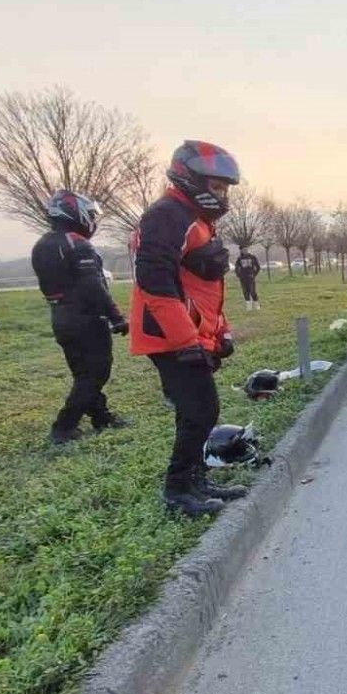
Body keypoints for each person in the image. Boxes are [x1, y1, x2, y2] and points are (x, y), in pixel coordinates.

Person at [130, 140, 247, 517]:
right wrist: (185, 341)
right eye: (217, 186)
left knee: (198, 411)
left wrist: (220, 332)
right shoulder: (168, 215)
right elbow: (154, 281)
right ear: (191, 178)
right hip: (169, 336)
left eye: (225, 188)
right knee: (200, 410)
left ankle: (197, 481)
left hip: (191, 335)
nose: (222, 195)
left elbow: (203, 288)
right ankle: (178, 490)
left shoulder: (199, 221)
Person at [31, 189, 129, 445]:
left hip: (60, 316)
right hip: (86, 317)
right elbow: (93, 287)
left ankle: (100, 416)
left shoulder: (42, 244)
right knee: (96, 373)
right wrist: (116, 316)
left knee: (83, 373)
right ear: (76, 214)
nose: (93, 221)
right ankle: (64, 426)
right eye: (90, 215)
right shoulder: (77, 243)